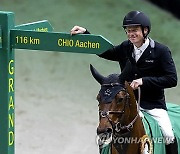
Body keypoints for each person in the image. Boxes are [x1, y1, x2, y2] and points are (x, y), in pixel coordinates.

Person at [70, 11, 178, 153]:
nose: (131, 33)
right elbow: (105, 52)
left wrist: (143, 81)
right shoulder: (125, 47)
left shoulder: (161, 51)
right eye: (128, 30)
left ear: (145, 30)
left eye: (135, 30)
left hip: (152, 105)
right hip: (125, 104)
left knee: (168, 135)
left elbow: (171, 79)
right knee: (104, 134)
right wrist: (86, 35)